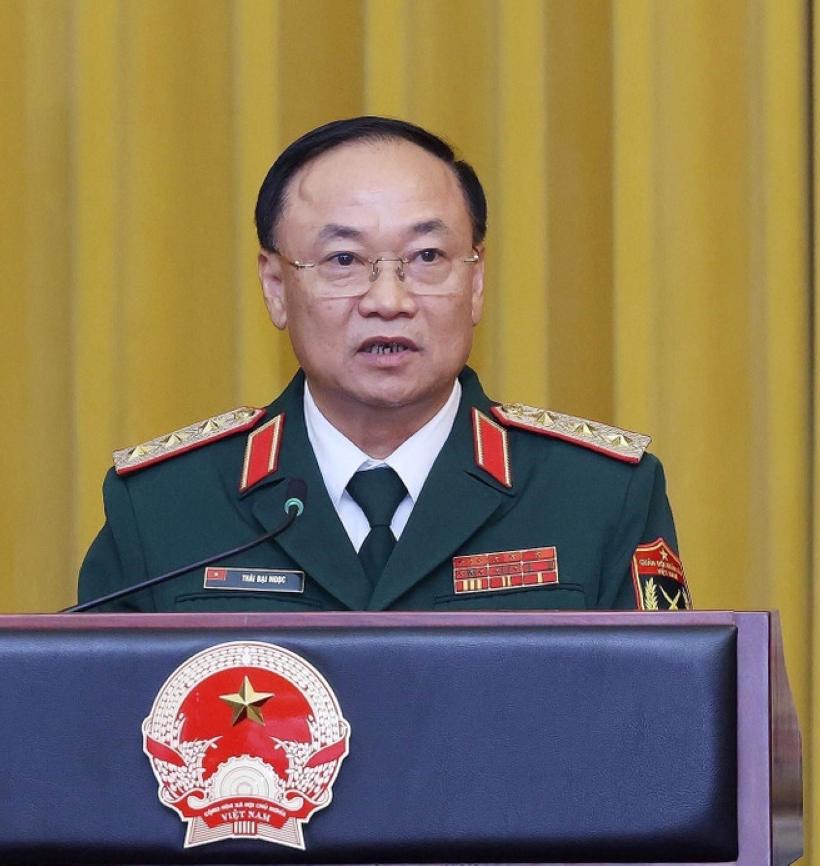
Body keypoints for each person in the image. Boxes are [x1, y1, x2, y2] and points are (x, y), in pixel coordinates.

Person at [78, 117, 689, 613]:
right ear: (275, 287)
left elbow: (665, 714)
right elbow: (94, 718)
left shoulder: (600, 496)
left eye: (427, 256)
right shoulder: (164, 505)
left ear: (476, 282)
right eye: (344, 260)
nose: (389, 301)